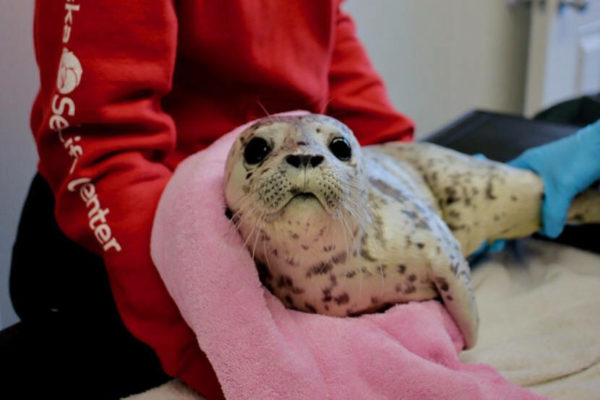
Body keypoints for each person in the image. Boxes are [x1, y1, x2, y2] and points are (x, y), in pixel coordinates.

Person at [1, 1, 598, 399]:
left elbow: (349, 84)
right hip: (126, 239)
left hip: (286, 216)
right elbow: (103, 147)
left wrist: (417, 202)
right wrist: (223, 350)